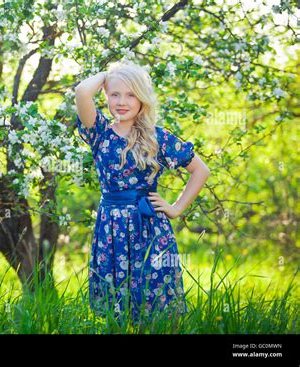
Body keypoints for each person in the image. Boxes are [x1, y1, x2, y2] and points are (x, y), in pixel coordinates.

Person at [74, 61, 210, 326]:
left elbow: (201, 170)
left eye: (131, 94)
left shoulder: (157, 137)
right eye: (115, 94)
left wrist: (176, 208)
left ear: (142, 98)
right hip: (111, 228)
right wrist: (108, 75)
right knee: (116, 306)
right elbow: (81, 91)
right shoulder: (99, 132)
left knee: (157, 301)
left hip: (149, 226)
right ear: (106, 95)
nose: (122, 101)